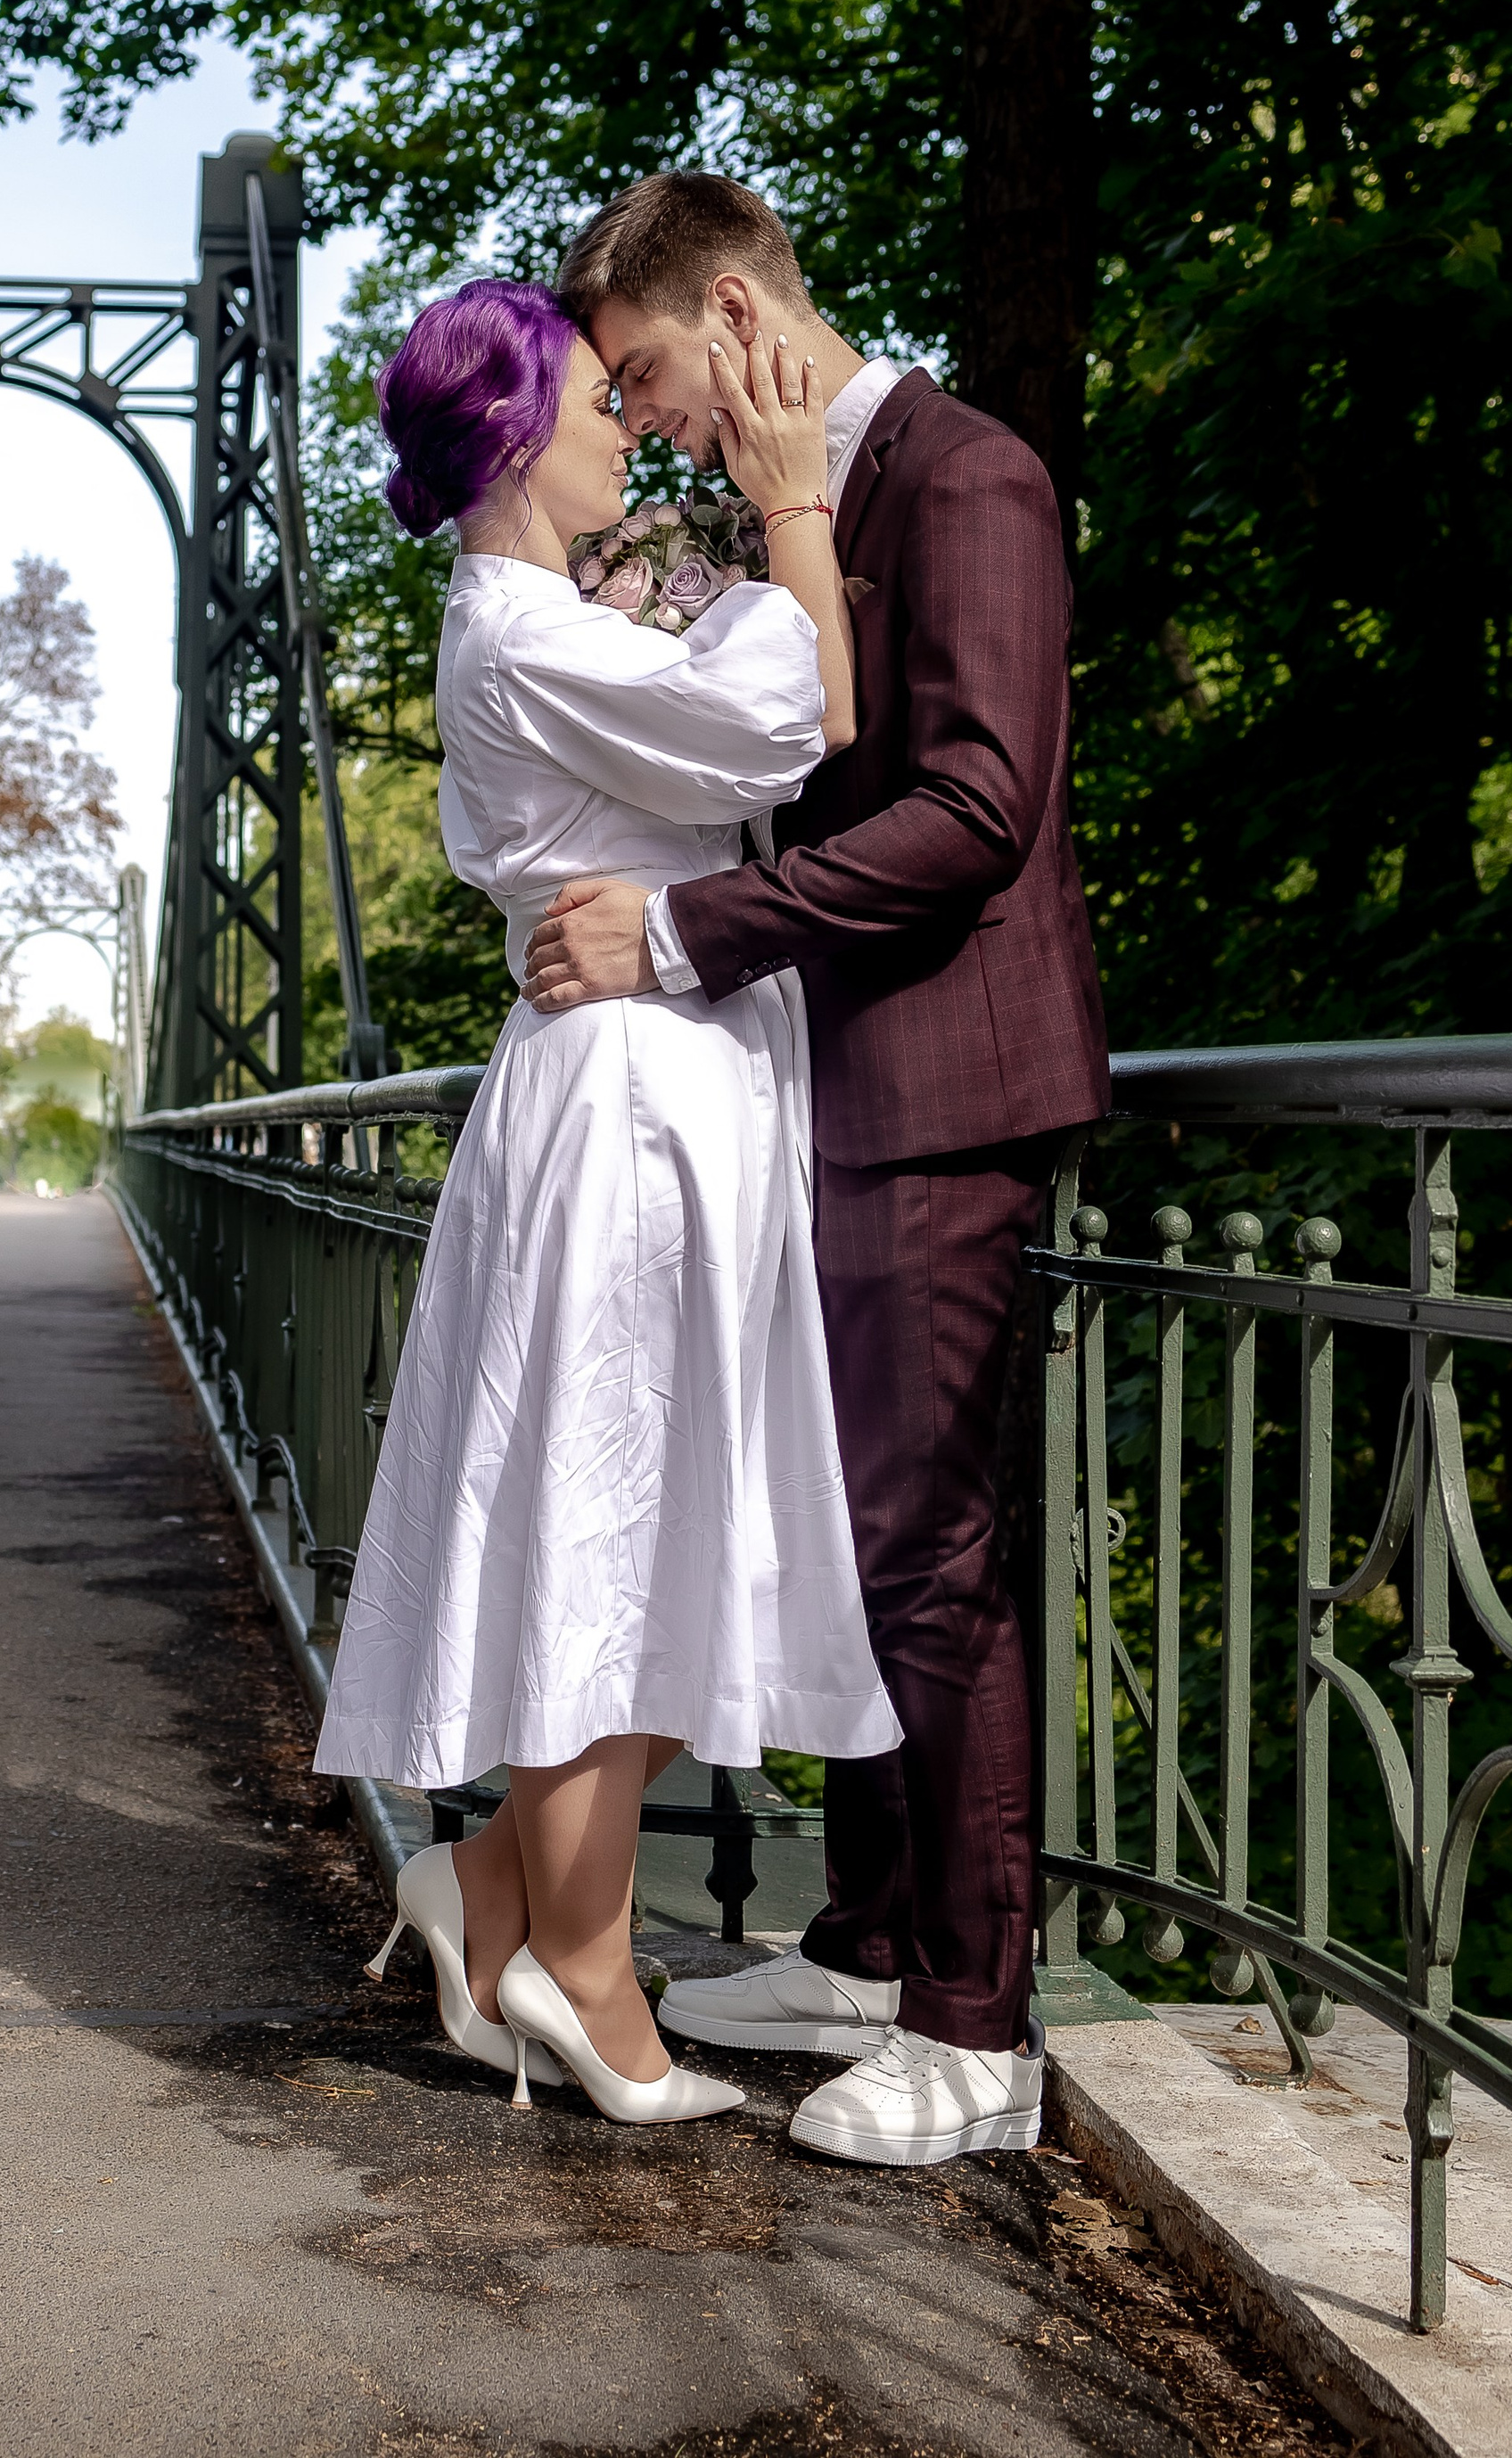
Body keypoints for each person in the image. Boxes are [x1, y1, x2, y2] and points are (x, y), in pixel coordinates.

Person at [523, 172, 1110, 2168]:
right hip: (821, 1084)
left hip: (945, 1083)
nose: (644, 417)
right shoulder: (795, 503)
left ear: (739, 311)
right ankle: (866, 1949)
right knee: (846, 1545)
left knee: (927, 1554)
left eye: (644, 372)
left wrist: (685, 935)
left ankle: (975, 2031)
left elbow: (975, 807)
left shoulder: (967, 476)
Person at [314, 275, 901, 2128]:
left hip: (669, 1085)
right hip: (633, 1103)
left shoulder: (550, 622)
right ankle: (584, 1969)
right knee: (613, 1521)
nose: (623, 433)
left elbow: (762, 721)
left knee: (660, 1521)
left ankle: (489, 1888)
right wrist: (790, 509)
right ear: (506, 437)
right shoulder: (519, 635)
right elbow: (794, 723)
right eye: (591, 406)